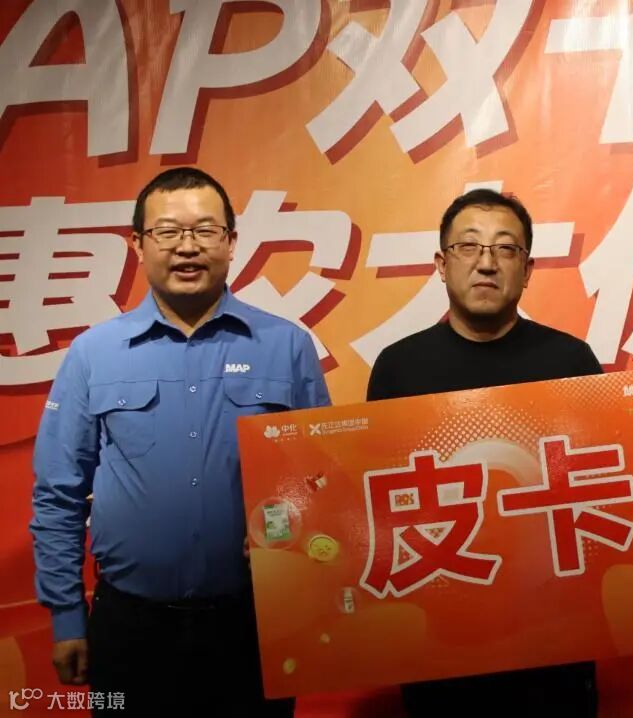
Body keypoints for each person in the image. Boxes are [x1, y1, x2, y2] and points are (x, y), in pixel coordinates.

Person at [31, 167, 330, 717]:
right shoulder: (94, 353)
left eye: (204, 231)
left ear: (231, 242)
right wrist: (67, 618)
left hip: (254, 624)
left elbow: (319, 477)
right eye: (167, 232)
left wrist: (292, 523)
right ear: (138, 244)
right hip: (129, 628)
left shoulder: (286, 346)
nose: (186, 247)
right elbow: (58, 494)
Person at [367, 188, 603, 716]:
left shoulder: (571, 361)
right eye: (468, 246)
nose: (487, 263)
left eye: (505, 248)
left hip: (555, 638)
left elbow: (602, 494)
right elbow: (377, 506)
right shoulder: (398, 367)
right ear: (441, 264)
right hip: (440, 639)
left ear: (528, 269)